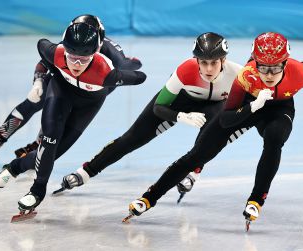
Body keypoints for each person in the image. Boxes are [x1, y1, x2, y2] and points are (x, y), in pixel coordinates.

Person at [125, 32, 303, 229]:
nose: (268, 75)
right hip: (248, 105)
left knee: (275, 138)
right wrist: (253, 106)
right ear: (254, 63)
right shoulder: (246, 77)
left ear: (285, 63)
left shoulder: (301, 73)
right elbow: (225, 118)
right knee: (198, 154)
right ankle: (149, 197)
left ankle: (256, 200)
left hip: (280, 109)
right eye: (263, 68)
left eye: (275, 69)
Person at [54, 32, 245, 202]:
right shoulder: (185, 71)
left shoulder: (238, 74)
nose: (209, 69)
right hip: (179, 103)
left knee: (216, 121)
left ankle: (194, 171)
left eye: (214, 62)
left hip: (215, 106)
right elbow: (158, 107)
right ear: (196, 60)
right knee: (131, 138)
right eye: (203, 62)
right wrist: (180, 116)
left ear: (224, 60)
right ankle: (86, 172)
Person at [0, 22, 146, 214]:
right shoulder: (54, 52)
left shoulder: (106, 73)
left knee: (55, 153)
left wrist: (123, 71)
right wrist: (38, 80)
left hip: (88, 105)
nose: (77, 64)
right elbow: (41, 45)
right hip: (60, 92)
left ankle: (15, 167)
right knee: (49, 139)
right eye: (72, 57)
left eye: (84, 59)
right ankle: (37, 191)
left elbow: (139, 75)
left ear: (96, 51)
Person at [0, 14, 142, 159]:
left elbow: (129, 66)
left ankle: (37, 145)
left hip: (90, 89)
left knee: (62, 117)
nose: (77, 50)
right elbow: (46, 59)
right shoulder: (72, 39)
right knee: (34, 101)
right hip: (63, 80)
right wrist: (38, 81)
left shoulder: (112, 54)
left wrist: (130, 64)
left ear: (99, 43)